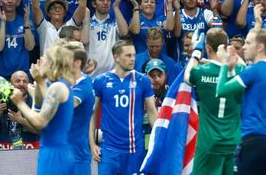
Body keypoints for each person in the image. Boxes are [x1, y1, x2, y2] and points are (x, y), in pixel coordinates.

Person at [216, 28, 266, 174]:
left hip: (254, 138)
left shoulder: (254, 70)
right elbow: (239, 99)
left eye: (248, 43)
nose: (244, 47)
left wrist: (224, 64)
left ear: (260, 47)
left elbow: (221, 90)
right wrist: (232, 70)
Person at [89, 40, 158, 174]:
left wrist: (158, 141)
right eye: (128, 55)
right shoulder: (100, 81)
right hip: (108, 151)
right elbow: (91, 114)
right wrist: (92, 144)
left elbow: (152, 113)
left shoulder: (142, 80)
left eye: (134, 55)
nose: (133, 59)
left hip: (134, 151)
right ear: (116, 57)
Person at [184, 28, 242, 175]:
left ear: (208, 48)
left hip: (209, 143)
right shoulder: (241, 71)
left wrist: (196, 52)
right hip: (233, 141)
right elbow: (231, 65)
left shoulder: (201, 72)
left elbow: (187, 75)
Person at [10, 45, 76, 174]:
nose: (39, 62)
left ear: (51, 63)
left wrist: (20, 103)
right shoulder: (59, 85)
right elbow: (46, 107)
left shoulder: (57, 87)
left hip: (55, 153)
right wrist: (39, 82)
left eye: (43, 59)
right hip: (57, 151)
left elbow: (40, 122)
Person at [63, 41, 95, 175]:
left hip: (77, 155)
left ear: (77, 62)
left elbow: (67, 106)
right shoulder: (66, 82)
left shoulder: (84, 85)